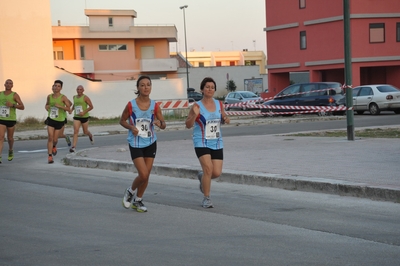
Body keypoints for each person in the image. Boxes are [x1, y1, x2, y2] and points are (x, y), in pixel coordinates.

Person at [120, 76, 166, 212]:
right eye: (142, 85)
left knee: (147, 174)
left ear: (151, 87)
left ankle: (138, 200)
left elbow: (163, 124)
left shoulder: (155, 106)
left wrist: (160, 123)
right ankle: (130, 191)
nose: (146, 87)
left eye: (148, 85)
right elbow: (122, 121)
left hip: (150, 142)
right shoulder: (131, 105)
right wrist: (131, 128)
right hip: (135, 143)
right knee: (143, 174)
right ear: (138, 88)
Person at [185, 77, 230, 208]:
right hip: (201, 141)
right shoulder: (196, 106)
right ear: (202, 89)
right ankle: (207, 198)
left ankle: (202, 177)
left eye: (212, 87)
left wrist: (226, 119)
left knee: (216, 173)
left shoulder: (219, 104)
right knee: (208, 169)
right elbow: (188, 125)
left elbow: (225, 117)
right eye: (207, 87)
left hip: (216, 141)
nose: (210, 89)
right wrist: (194, 115)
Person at [45, 80, 71, 164]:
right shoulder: (49, 96)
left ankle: (54, 146)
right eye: (55, 85)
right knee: (50, 137)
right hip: (51, 119)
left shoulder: (63, 97)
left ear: (61, 88)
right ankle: (49, 156)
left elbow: (68, 108)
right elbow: (46, 105)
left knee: (55, 139)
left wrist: (60, 106)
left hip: (60, 120)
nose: (56, 87)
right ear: (52, 87)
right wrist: (47, 106)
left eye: (58, 86)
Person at [0, 79, 25, 163]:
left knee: (10, 138)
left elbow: (22, 106)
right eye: (7, 83)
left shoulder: (14, 95)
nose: (8, 84)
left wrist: (12, 105)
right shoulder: (0, 94)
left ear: (12, 86)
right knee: (1, 137)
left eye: (10, 83)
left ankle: (10, 149)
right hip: (1, 119)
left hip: (11, 119)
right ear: (4, 84)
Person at [69, 85, 94, 153]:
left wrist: (84, 112)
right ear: (76, 90)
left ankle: (90, 135)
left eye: (80, 89)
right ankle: (73, 147)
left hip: (84, 116)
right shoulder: (74, 97)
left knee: (85, 132)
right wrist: (71, 110)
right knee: (76, 131)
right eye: (78, 89)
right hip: (77, 116)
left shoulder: (85, 97)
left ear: (83, 90)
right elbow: (75, 104)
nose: (79, 91)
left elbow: (91, 106)